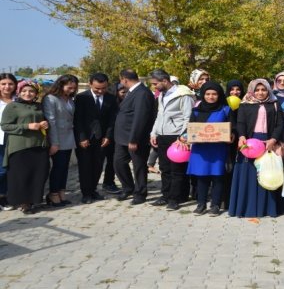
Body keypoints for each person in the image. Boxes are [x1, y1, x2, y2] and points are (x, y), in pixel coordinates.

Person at [228, 79, 284, 218]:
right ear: (252, 91)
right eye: (257, 90)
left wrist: (273, 139)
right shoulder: (245, 103)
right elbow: (240, 123)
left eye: (263, 89)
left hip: (268, 141)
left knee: (267, 172)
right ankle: (246, 208)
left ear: (268, 90)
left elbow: (279, 124)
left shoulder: (274, 104)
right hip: (249, 143)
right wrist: (241, 136)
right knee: (249, 174)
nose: (260, 93)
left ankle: (267, 208)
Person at [182, 81, 232, 216]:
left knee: (217, 177)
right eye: (207, 94)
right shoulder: (196, 110)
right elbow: (190, 127)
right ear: (203, 95)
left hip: (218, 149)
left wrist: (232, 135)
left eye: (214, 94)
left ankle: (215, 205)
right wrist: (183, 137)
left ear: (219, 95)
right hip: (200, 150)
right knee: (201, 177)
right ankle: (201, 204)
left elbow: (232, 128)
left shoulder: (225, 109)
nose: (211, 97)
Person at [0, 80, 49, 214]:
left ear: (36, 93)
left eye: (31, 91)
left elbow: (43, 120)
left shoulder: (38, 106)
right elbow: (5, 126)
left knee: (38, 174)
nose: (28, 94)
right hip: (20, 147)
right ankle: (23, 203)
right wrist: (27, 126)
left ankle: (34, 200)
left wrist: (44, 123)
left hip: (39, 145)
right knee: (22, 176)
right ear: (19, 92)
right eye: (24, 91)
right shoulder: (12, 106)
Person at [149, 69, 195, 210]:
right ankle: (166, 195)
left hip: (176, 137)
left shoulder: (183, 95)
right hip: (162, 136)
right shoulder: (162, 95)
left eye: (155, 84)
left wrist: (183, 137)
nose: (154, 87)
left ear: (165, 81)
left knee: (177, 170)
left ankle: (175, 198)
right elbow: (160, 115)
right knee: (165, 168)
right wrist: (154, 132)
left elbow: (188, 117)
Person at [74, 73, 118, 204]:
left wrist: (108, 136)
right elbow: (78, 120)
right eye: (97, 88)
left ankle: (93, 190)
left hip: (102, 139)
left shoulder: (111, 98)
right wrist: (82, 137)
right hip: (85, 138)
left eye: (103, 88)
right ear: (90, 84)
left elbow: (112, 120)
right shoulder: (81, 98)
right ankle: (86, 193)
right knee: (85, 166)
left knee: (98, 166)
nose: (100, 91)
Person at [113, 69, 156, 205]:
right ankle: (128, 187)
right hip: (122, 137)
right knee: (118, 162)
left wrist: (134, 138)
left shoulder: (142, 93)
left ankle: (140, 193)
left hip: (135, 138)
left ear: (124, 79)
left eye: (121, 80)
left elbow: (140, 117)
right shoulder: (132, 92)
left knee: (139, 166)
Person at [43, 74, 79, 206]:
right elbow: (51, 121)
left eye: (74, 88)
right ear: (61, 85)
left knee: (64, 168)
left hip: (69, 137)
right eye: (69, 87)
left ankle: (61, 192)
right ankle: (53, 194)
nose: (72, 90)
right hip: (57, 138)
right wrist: (54, 143)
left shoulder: (70, 99)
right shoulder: (50, 99)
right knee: (58, 167)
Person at [222, 79, 244, 210]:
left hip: (242, 140)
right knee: (227, 170)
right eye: (232, 89)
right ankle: (226, 200)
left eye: (238, 89)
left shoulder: (246, 103)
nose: (235, 92)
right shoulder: (223, 104)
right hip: (227, 141)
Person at [0, 73, 18, 210]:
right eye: (3, 84)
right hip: (0, 141)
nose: (7, 87)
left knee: (9, 171)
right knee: (1, 171)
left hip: (14, 141)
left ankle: (7, 197)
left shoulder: (18, 100)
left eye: (10, 84)